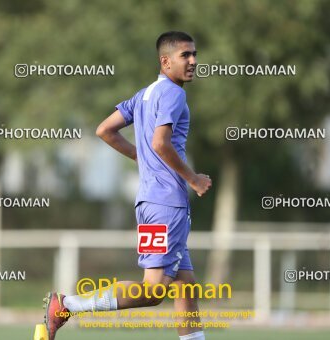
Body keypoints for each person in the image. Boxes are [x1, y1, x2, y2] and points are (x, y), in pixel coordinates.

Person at [43, 31, 212, 340]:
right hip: (166, 204)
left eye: (194, 54)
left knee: (185, 284)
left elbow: (105, 130)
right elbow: (160, 143)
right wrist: (193, 178)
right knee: (153, 291)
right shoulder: (174, 94)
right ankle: (67, 305)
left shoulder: (145, 94)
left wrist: (142, 157)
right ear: (165, 61)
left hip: (150, 203)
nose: (193, 61)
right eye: (185, 55)